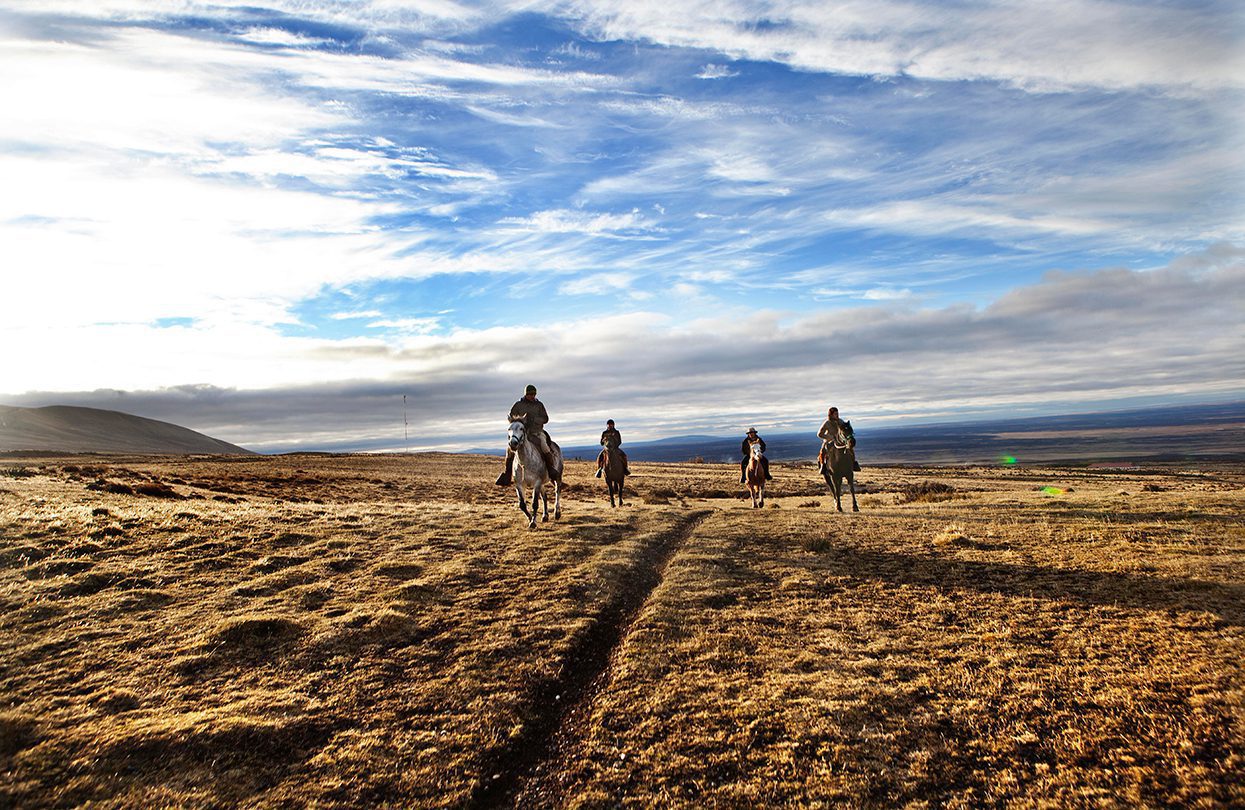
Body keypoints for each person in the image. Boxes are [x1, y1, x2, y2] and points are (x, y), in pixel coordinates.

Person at [495, 384, 562, 486]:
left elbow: (546, 418)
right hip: (521, 433)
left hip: (536, 432)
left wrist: (535, 420)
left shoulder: (539, 405)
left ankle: (551, 470)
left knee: (544, 446)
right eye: (530, 394)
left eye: (534, 394)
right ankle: (507, 474)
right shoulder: (518, 405)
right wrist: (520, 421)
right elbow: (512, 417)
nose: (532, 396)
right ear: (526, 394)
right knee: (509, 451)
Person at [817, 406, 861, 472]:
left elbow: (845, 430)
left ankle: (854, 463)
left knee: (850, 448)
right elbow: (819, 434)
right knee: (823, 451)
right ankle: (823, 466)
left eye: (838, 414)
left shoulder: (840, 421)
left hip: (840, 441)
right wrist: (829, 437)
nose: (837, 415)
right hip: (830, 441)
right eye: (835, 414)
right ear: (831, 415)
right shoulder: (827, 423)